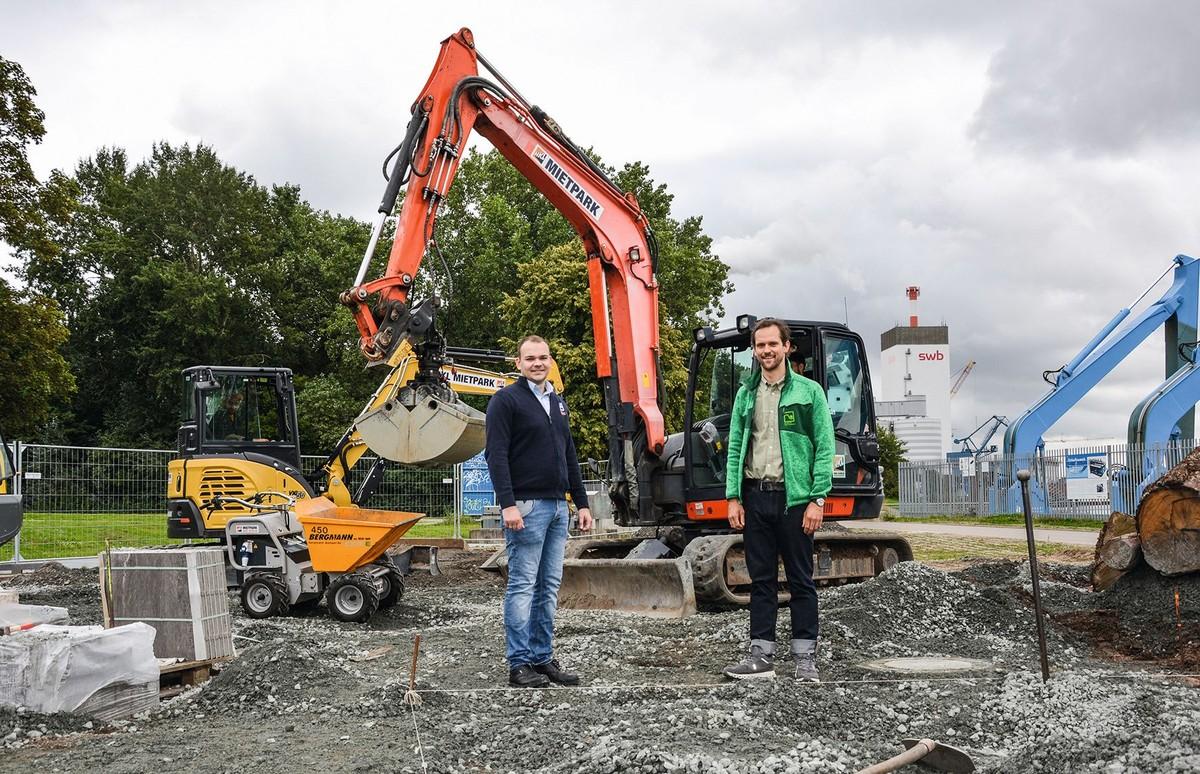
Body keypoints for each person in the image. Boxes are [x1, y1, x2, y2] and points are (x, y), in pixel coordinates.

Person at [722, 318, 835, 682]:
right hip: (756, 497)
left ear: (787, 347)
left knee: (801, 579)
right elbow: (737, 446)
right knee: (762, 579)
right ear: (754, 351)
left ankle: (805, 659)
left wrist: (817, 498)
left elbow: (824, 447)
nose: (766, 351)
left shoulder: (809, 392)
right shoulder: (746, 395)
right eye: (760, 346)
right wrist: (733, 497)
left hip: (795, 500)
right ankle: (761, 656)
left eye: (773, 344)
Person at [485, 335, 593, 688]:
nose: (537, 363)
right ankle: (519, 664)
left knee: (548, 587)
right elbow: (496, 455)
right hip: (527, 508)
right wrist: (508, 505)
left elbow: (569, 455)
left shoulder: (557, 403)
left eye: (543, 357)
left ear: (550, 361)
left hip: (558, 506)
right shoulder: (506, 401)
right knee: (522, 586)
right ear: (518, 363)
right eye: (530, 358)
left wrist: (582, 502)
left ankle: (542, 658)